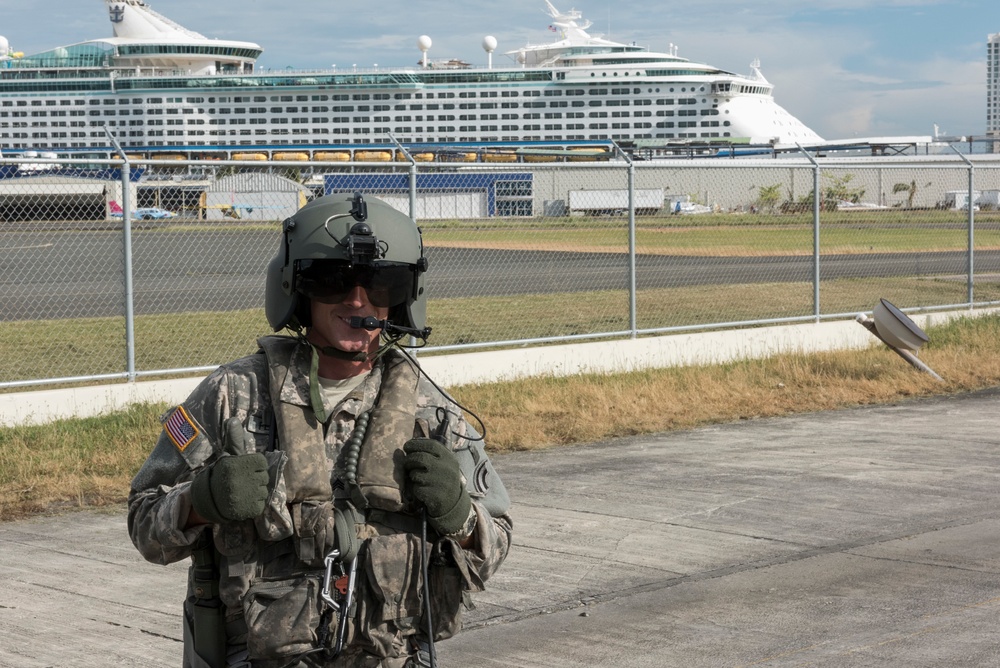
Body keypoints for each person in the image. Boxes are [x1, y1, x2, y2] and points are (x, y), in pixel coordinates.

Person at [128, 193, 513, 668]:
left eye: (380, 284)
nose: (357, 300)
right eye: (332, 282)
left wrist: (461, 516)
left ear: (402, 298)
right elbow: (144, 527)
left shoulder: (431, 414)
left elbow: (496, 545)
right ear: (298, 290)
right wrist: (198, 503)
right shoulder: (231, 395)